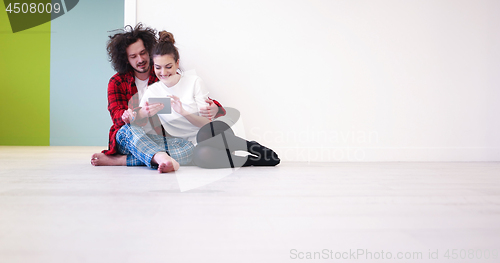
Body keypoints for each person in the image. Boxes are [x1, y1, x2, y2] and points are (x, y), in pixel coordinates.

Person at [90, 24, 226, 172]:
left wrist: (215, 108)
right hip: (133, 139)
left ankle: (122, 161)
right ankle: (160, 157)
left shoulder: (162, 74)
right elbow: (118, 119)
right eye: (133, 56)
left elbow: (196, 99)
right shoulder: (117, 82)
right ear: (125, 59)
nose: (140, 59)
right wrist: (137, 114)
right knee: (126, 130)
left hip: (163, 140)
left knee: (188, 149)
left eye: (143, 53)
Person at [136, 30, 280, 168]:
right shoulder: (152, 91)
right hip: (190, 145)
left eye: (168, 67)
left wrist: (183, 112)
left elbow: (206, 123)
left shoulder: (194, 82)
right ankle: (250, 160)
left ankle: (251, 146)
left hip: (214, 134)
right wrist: (141, 114)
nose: (163, 73)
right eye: (158, 67)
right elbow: (139, 120)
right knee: (202, 157)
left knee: (203, 135)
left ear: (177, 64)